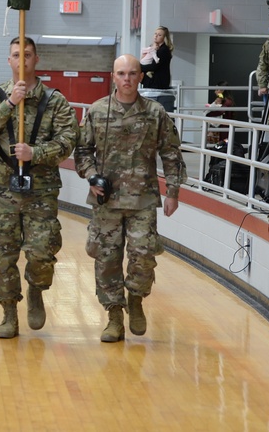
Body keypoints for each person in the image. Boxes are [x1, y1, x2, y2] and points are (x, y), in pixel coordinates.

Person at [74, 54, 186, 342]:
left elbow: (171, 153)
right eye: (121, 73)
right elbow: (83, 151)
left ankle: (135, 300)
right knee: (106, 259)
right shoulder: (97, 111)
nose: (126, 79)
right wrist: (89, 176)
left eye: (132, 73)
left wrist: (172, 192)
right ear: (113, 76)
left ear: (140, 76)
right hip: (106, 202)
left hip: (143, 200)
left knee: (143, 256)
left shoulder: (155, 112)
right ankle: (114, 315)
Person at [0, 37, 78, 339]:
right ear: (9, 61)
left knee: (42, 252)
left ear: (37, 59)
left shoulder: (54, 100)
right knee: (3, 255)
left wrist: (37, 153)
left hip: (40, 189)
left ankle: (36, 290)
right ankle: (8, 311)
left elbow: (68, 139)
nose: (22, 60)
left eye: (28, 55)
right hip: (2, 188)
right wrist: (10, 104)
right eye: (16, 55)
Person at [139, 26, 175, 111]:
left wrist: (139, 67)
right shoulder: (153, 48)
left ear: (164, 38)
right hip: (152, 82)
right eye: (155, 34)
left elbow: (154, 66)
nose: (156, 36)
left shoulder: (163, 50)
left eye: (159, 35)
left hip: (158, 83)